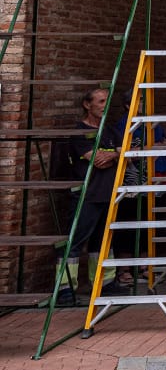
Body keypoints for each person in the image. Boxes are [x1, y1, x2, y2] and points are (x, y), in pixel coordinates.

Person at [54, 88, 129, 300]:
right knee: (76, 240)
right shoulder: (79, 132)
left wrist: (114, 154)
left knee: (102, 241)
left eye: (107, 101)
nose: (105, 105)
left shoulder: (110, 130)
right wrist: (116, 153)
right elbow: (95, 159)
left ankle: (104, 283)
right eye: (100, 101)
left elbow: (128, 155)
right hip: (87, 194)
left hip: (108, 193)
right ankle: (65, 288)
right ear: (87, 104)